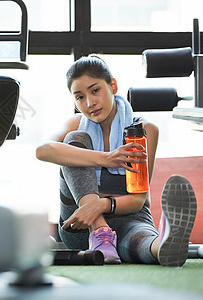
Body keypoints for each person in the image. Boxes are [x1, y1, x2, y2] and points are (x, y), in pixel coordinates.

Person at [36, 55, 197, 266]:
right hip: (81, 225)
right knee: (74, 141)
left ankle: (166, 244)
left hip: (131, 218)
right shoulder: (76, 124)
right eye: (80, 97)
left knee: (142, 242)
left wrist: (100, 204)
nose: (89, 103)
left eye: (95, 91)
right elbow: (43, 150)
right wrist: (107, 158)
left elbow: (138, 200)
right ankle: (100, 231)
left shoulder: (144, 131)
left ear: (113, 85)